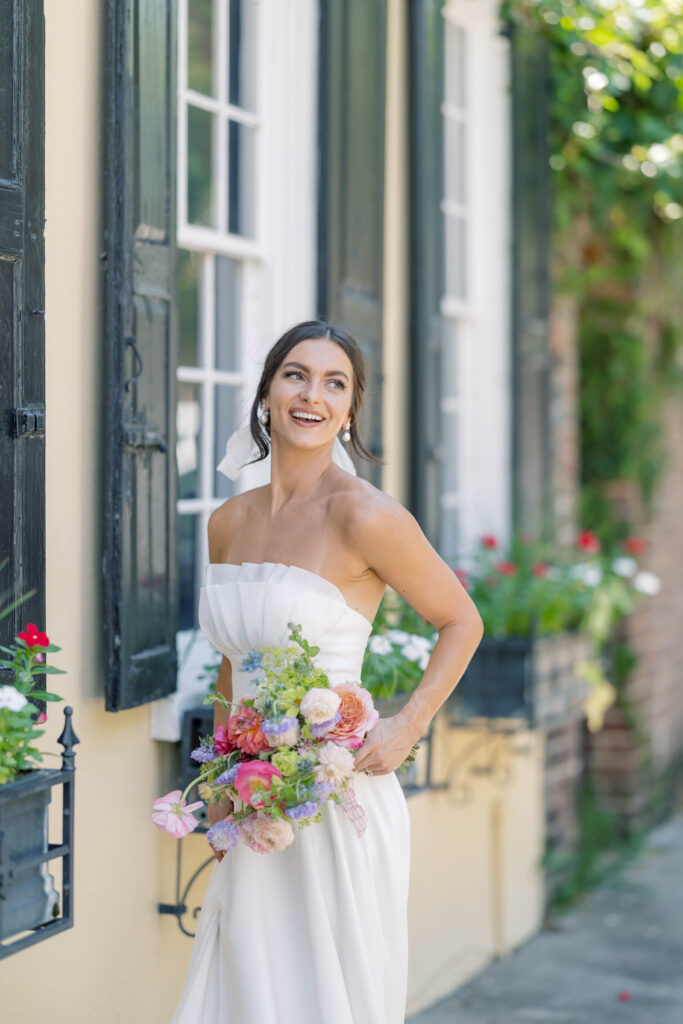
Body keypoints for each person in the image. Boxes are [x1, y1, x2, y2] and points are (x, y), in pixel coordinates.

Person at [170, 320, 484, 1024]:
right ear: (266, 394)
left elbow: (462, 621)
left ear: (349, 410)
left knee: (323, 997)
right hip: (253, 803)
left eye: (333, 383)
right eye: (295, 375)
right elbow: (232, 668)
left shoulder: (365, 516)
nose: (312, 394)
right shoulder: (227, 520)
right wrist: (222, 785)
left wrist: (408, 725)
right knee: (245, 985)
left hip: (335, 800)